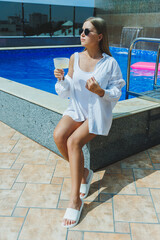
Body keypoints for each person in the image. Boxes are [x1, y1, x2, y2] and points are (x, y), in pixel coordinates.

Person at [53, 17, 125, 228]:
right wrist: (61, 79)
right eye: (81, 30)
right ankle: (84, 173)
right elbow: (67, 92)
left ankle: (75, 200)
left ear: (99, 36)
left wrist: (100, 91)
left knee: (74, 142)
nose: (82, 33)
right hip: (76, 110)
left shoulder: (109, 63)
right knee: (59, 136)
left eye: (87, 31)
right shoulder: (74, 58)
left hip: (95, 114)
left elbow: (117, 92)